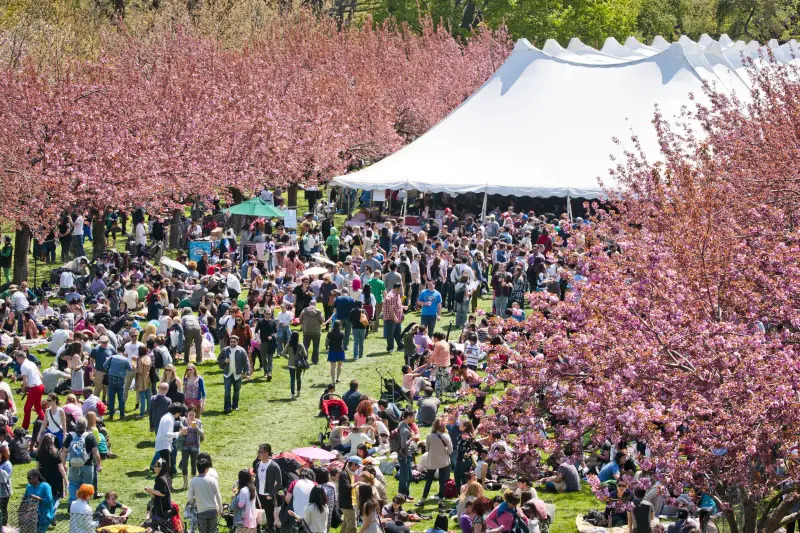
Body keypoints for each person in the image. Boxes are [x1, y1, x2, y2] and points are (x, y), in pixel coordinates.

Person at [61, 417, 102, 504]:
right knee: (86, 486)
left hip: (73, 465)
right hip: (87, 465)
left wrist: (63, 464)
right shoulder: (90, 437)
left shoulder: (70, 436)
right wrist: (98, 465)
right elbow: (96, 453)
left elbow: (64, 452)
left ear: (76, 426)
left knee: (73, 484)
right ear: (86, 426)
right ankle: (84, 505)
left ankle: (72, 504)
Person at [420, 418, 453, 504]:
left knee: (429, 481)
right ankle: (440, 500)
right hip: (444, 461)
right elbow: (450, 450)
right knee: (442, 482)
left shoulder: (429, 436)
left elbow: (427, 449)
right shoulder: (447, 436)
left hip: (432, 461)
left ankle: (423, 499)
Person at [187, 456, 222, 533]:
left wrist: (195, 502)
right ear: (206, 469)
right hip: (213, 510)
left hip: (201, 511)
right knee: (213, 530)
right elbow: (218, 495)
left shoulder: (193, 481)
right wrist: (220, 508)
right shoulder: (212, 480)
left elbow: (189, 497)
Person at [217, 334, 250, 413]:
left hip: (238, 375)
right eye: (231, 342)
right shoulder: (225, 350)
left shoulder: (242, 351)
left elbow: (246, 362)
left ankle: (235, 406)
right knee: (227, 392)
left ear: (237, 342)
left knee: (236, 392)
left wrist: (247, 373)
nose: (232, 343)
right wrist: (224, 361)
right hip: (227, 374)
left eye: (234, 342)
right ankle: (227, 408)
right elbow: (219, 359)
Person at [253, 443, 282, 532]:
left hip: (268, 496)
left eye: (260, 452)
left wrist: (271, 494)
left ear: (266, 453)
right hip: (258, 495)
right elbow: (257, 479)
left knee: (269, 517)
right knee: (256, 516)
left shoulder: (274, 466)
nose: (258, 453)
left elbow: (279, 483)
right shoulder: (258, 464)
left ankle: (270, 530)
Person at [36, 434, 65, 510]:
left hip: (44, 476)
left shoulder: (39, 452)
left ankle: (47, 511)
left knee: (46, 495)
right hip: (55, 477)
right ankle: (52, 512)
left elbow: (37, 467)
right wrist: (65, 478)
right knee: (55, 496)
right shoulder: (56, 452)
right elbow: (61, 467)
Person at [155, 404, 185, 479]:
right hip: (164, 445)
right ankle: (167, 486)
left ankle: (167, 485)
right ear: (177, 412)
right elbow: (166, 434)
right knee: (167, 469)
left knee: (167, 468)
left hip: (165, 445)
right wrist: (179, 433)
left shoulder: (167, 417)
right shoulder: (169, 419)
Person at [16, 350, 44, 430]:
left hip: (34, 388)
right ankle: (46, 423)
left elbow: (25, 381)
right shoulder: (32, 363)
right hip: (40, 386)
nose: (17, 361)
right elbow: (40, 376)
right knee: (38, 407)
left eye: (17, 359)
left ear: (20, 358)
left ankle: (25, 427)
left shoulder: (23, 366)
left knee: (27, 408)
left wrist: (22, 388)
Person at [103, 348, 132, 421]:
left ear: (117, 352)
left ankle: (111, 415)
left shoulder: (112, 357)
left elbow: (104, 365)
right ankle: (122, 415)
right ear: (123, 352)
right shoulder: (125, 359)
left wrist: (109, 370)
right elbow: (130, 369)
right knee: (121, 399)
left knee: (111, 398)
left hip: (111, 380)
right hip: (120, 381)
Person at [180, 406, 205, 489]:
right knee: (184, 465)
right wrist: (183, 430)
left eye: (193, 415)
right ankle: (185, 483)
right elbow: (179, 432)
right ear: (187, 414)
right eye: (190, 415)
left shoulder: (198, 422)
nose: (191, 417)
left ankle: (192, 484)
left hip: (195, 446)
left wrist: (196, 428)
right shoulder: (184, 421)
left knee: (194, 465)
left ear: (195, 415)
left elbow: (202, 434)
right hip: (185, 446)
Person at [144, 458, 174, 529]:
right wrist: (151, 492)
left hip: (161, 510)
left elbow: (163, 493)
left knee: (160, 529)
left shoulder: (161, 479)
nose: (154, 467)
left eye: (155, 466)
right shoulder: (166, 476)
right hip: (165, 507)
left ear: (161, 468)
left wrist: (151, 490)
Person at [24, 468, 55, 533]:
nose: (28, 480)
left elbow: (49, 500)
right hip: (32, 515)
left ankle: (52, 518)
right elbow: (25, 499)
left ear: (36, 477)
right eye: (27, 478)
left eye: (30, 478)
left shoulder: (45, 486)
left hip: (44, 515)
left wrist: (39, 499)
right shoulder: (29, 487)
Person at [396, 410, 415, 499]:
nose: (414, 418)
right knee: (404, 476)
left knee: (408, 475)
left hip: (404, 454)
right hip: (404, 455)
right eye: (413, 416)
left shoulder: (402, 425)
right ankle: (402, 494)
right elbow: (404, 444)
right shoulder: (404, 430)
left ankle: (406, 493)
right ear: (408, 417)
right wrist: (412, 438)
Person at [299, 300, 325, 365]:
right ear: (315, 304)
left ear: (309, 304)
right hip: (316, 331)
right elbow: (322, 321)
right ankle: (315, 361)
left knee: (305, 346)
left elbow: (300, 320)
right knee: (316, 347)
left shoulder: (304, 311)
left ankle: (304, 359)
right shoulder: (319, 311)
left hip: (306, 331)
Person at [283, 331, 307, 399]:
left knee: (292, 379)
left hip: (291, 364)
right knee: (298, 378)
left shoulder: (288, 344)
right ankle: (298, 392)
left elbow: (283, 353)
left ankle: (292, 394)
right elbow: (305, 354)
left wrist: (288, 357)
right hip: (299, 364)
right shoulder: (300, 344)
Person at [339, 457, 360, 533]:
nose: (357, 468)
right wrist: (358, 483)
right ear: (353, 464)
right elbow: (347, 487)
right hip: (347, 504)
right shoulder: (344, 474)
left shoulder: (349, 473)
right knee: (352, 527)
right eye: (358, 466)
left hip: (348, 502)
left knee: (346, 525)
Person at [233, 469, 258, 533]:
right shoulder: (253, 488)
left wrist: (235, 500)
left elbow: (241, 505)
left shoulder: (243, 490)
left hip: (244, 518)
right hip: (252, 516)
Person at [383, 284, 405, 353]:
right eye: (400, 289)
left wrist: (403, 307)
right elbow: (391, 308)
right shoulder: (391, 296)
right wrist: (394, 317)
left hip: (397, 318)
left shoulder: (397, 294)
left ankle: (400, 346)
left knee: (398, 333)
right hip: (391, 318)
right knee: (390, 334)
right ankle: (390, 348)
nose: (401, 291)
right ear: (396, 289)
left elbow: (398, 305)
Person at [135, 346, 152, 418]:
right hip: (147, 378)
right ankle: (148, 410)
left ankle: (142, 413)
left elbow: (140, 371)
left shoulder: (140, 359)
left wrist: (134, 368)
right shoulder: (148, 357)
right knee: (148, 396)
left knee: (142, 396)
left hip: (141, 379)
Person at [326, 320, 345, 384]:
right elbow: (342, 340)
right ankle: (338, 378)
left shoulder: (330, 333)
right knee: (339, 365)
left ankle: (333, 380)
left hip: (332, 351)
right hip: (340, 351)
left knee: (333, 366)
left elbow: (327, 341)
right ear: (339, 325)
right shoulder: (342, 333)